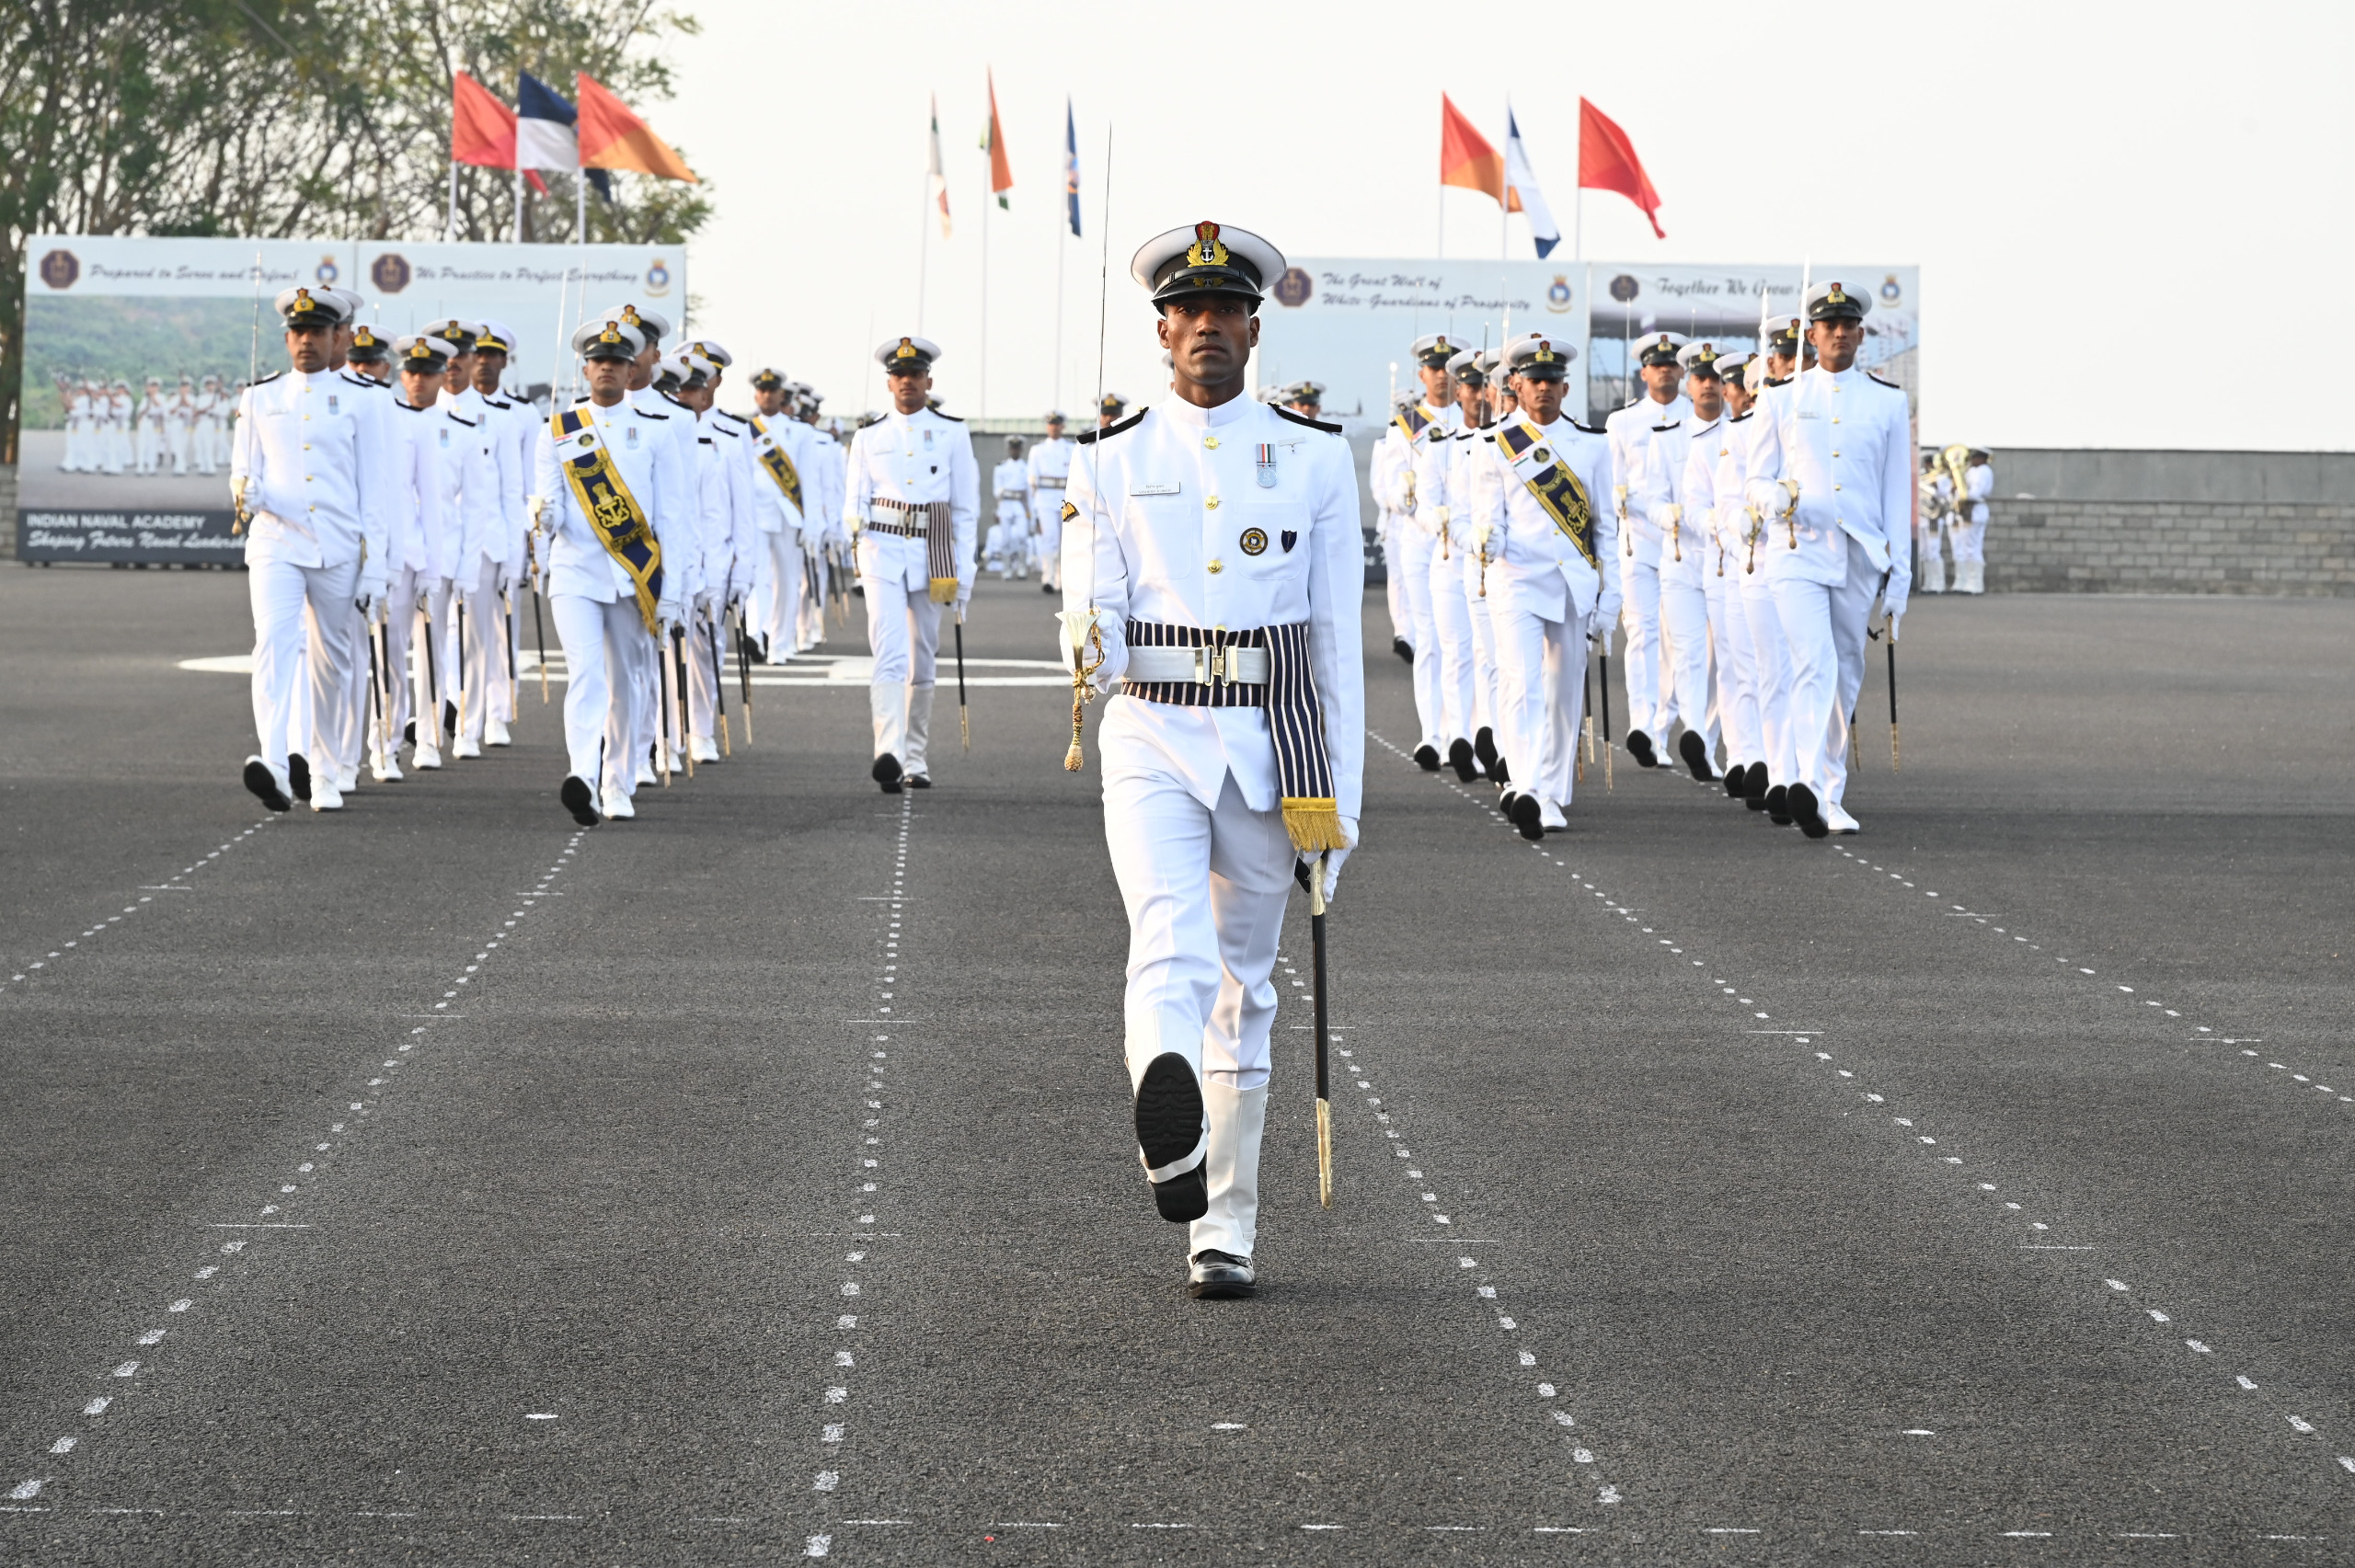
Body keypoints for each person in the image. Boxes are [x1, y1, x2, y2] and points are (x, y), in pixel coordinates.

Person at [1061, 219, 1361, 1299]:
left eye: (1226, 309)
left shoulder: (1316, 456)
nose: (1206, 326)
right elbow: (1091, 610)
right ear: (1161, 331)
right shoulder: (1108, 459)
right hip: (1151, 727)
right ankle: (1171, 1130)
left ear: (1253, 328)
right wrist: (1083, 642)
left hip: (1274, 740)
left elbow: (1334, 644)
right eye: (1187, 311)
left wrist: (1340, 812)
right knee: (1168, 941)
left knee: (1246, 985)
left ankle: (1222, 1228)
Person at [1742, 279, 1912, 837]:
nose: (1839, 333)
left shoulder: (1888, 402)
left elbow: (1895, 495)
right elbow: (1754, 480)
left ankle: (1828, 791)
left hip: (1858, 554)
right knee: (1814, 662)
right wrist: (1772, 497)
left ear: (1861, 334)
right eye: (1829, 326)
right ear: (1811, 336)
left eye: (1848, 326)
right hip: (1796, 550)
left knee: (1846, 670)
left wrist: (1900, 576)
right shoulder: (1781, 398)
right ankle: (1810, 787)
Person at [233, 286, 392, 814]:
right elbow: (243, 471)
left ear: (337, 337)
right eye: (298, 332)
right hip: (275, 540)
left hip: (337, 546)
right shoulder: (259, 397)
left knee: (331, 662)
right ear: (287, 339)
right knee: (272, 645)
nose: (306, 340)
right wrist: (246, 492)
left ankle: (324, 769)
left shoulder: (365, 399)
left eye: (317, 332)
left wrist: (377, 568)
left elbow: (376, 491)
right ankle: (276, 763)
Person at [534, 315, 688, 824]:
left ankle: (618, 781)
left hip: (632, 576)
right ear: (585, 369)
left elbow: (673, 518)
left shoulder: (657, 432)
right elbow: (552, 507)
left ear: (631, 371)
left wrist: (673, 592)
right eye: (598, 360)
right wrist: (542, 517)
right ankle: (583, 774)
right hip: (575, 572)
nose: (607, 368)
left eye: (617, 362)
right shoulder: (557, 431)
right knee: (585, 673)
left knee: (627, 680)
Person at [1467, 334, 1617, 839]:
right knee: (1520, 682)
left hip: (1572, 584)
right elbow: (1488, 519)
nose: (1544, 388)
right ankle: (1526, 785)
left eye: (1552, 380)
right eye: (1534, 380)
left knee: (1562, 692)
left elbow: (1606, 528)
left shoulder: (1593, 445)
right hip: (1516, 580)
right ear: (1516, 384)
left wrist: (1611, 596)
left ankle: (1552, 791)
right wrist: (1485, 539)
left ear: (1565, 388)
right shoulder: (1494, 444)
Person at [842, 335, 978, 792]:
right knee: (889, 651)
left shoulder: (953, 432)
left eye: (915, 374)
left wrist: (965, 575)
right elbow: (854, 499)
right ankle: (890, 752)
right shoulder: (868, 435)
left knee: (922, 655)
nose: (907, 382)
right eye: (899, 375)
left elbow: (966, 510)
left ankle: (915, 755)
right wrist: (853, 531)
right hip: (881, 550)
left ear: (928, 381)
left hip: (932, 552)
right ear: (889, 383)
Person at [1635, 340, 1727, 780]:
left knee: (1723, 656)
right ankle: (1697, 736)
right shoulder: (1667, 436)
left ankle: (1710, 737)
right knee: (1689, 653)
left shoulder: (1741, 434)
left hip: (1727, 560)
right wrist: (1665, 514)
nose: (1708, 385)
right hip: (1680, 556)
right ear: (1689, 385)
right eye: (1701, 377)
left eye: (1716, 378)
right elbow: (1651, 497)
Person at [1374, 334, 1463, 768]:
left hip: (1460, 541)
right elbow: (1388, 487)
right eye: (1435, 368)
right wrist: (1403, 495)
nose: (1443, 375)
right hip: (1418, 540)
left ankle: (1462, 731)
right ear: (1422, 374)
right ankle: (1432, 734)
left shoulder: (1473, 422)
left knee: (1461, 640)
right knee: (1427, 637)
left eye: (1450, 368)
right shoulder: (1404, 426)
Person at [1605, 330, 1691, 769]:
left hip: (1683, 543)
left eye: (1671, 364)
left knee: (1676, 640)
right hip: (1637, 541)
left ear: (1681, 370)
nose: (1664, 371)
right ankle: (1641, 724)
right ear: (1644, 373)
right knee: (1641, 634)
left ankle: (1661, 726)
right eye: (1657, 365)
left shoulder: (1697, 417)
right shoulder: (1622, 422)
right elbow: (1611, 483)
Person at [1685, 351, 1766, 803]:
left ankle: (1761, 757)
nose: (1742, 396)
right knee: (1735, 665)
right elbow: (1697, 505)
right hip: (1722, 564)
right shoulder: (1707, 442)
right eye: (1737, 387)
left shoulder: (1772, 431)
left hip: (1766, 561)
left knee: (1763, 664)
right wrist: (1722, 529)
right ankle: (1742, 754)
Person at [1416, 345, 1491, 778]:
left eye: (1485, 387)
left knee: (1488, 656)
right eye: (1471, 387)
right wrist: (1439, 522)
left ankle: (1486, 739)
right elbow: (1425, 506)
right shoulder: (1440, 447)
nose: (1478, 395)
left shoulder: (1505, 444)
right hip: (1450, 560)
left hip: (1493, 566)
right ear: (1459, 392)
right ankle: (1458, 737)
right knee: (1455, 652)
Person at [745, 368, 816, 660]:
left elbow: (809, 479)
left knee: (787, 581)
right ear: (756, 395)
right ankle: (755, 634)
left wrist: (813, 524)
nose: (767, 395)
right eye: (762, 390)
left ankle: (780, 643)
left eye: (772, 390)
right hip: (755, 515)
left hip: (788, 515)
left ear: (781, 394)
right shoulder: (744, 430)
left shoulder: (800, 432)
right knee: (757, 577)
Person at [1026, 411, 1074, 594]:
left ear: (1063, 426)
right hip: (1044, 499)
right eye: (1051, 424)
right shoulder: (1037, 450)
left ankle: (1062, 580)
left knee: (1065, 540)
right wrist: (1033, 509)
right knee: (1050, 538)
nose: (1054, 427)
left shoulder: (1072, 448)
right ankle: (1048, 578)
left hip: (1066, 499)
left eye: (1057, 424)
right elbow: (1032, 481)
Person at [990, 436, 1031, 579]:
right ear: (1009, 449)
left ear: (1021, 450)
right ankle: (1006, 569)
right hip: (1006, 504)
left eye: (1017, 448)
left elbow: (1029, 492)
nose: (1015, 451)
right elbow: (996, 490)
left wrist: (1030, 511)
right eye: (1013, 448)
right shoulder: (1001, 467)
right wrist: (1003, 494)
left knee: (1022, 536)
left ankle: (1022, 568)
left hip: (1020, 504)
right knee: (1006, 538)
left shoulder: (1026, 467)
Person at [1951, 448, 1992, 593]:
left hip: (1975, 511)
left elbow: (1975, 493)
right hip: (1969, 511)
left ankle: (1975, 584)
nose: (1971, 460)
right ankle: (1969, 582)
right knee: (1966, 548)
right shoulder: (1973, 471)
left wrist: (1961, 493)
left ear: (1981, 458)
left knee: (1972, 548)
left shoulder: (1983, 471)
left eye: (1974, 457)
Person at [1916, 452, 1950, 594]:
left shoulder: (1942, 477)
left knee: (1934, 550)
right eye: (1927, 462)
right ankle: (1928, 583)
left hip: (1934, 518)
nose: (1929, 465)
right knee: (1924, 552)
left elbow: (1946, 495)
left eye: (1931, 463)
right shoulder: (1920, 476)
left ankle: (1938, 584)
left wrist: (1936, 487)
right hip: (1922, 517)